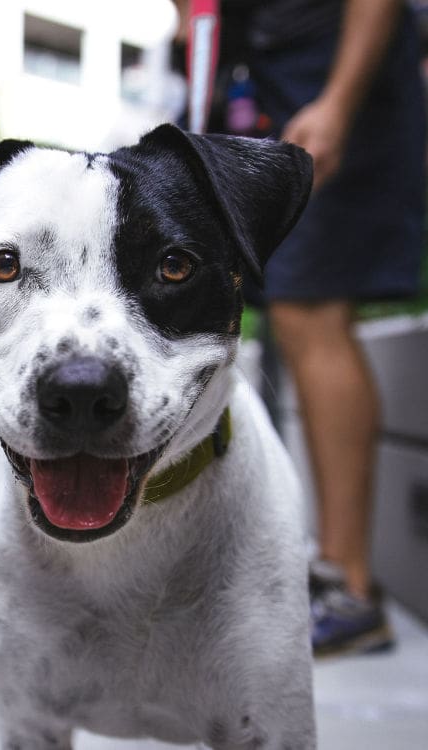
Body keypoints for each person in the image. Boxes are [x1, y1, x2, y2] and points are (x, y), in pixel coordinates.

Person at [176, 0, 426, 657]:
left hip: (333, 76)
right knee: (261, 302)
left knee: (310, 307)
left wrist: (339, 102)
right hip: (259, 73)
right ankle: (313, 572)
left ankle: (350, 589)